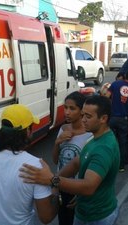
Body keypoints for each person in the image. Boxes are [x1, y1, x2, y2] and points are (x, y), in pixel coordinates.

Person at [20, 95, 120, 225]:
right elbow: (76, 163)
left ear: (103, 119)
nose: (83, 120)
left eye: (88, 117)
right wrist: (54, 180)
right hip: (84, 211)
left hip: (97, 217)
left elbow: (89, 186)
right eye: (83, 115)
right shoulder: (94, 138)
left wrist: (52, 180)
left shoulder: (103, 148)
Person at [52, 91, 92, 225]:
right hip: (61, 185)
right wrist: (57, 142)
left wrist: (81, 193)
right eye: (65, 107)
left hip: (78, 189)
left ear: (82, 111)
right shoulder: (63, 129)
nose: (67, 112)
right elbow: (55, 161)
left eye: (72, 108)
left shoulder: (89, 136)